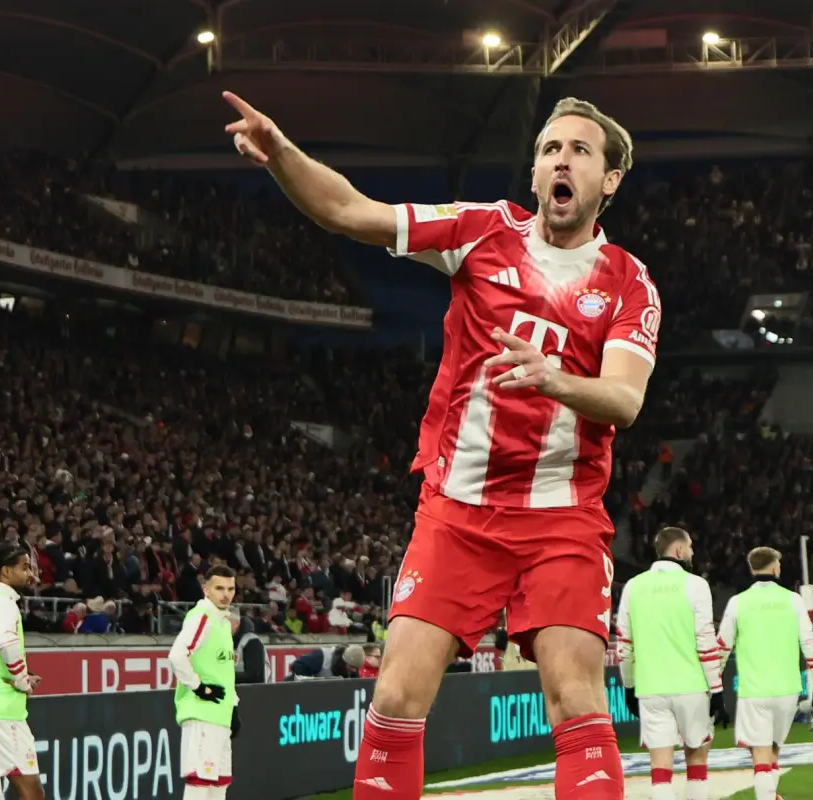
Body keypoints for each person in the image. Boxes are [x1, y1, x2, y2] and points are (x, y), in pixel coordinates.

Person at [224, 88, 659, 800]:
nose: (561, 159)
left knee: (576, 698)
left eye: (580, 151)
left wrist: (553, 379)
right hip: (457, 511)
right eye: (551, 148)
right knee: (394, 697)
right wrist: (282, 156)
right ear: (534, 172)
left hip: (562, 517)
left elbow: (625, 399)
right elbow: (349, 212)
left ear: (608, 180)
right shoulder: (482, 230)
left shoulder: (629, 284)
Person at [616, 527, 726, 800]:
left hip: (651, 688)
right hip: (691, 686)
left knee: (660, 770)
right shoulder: (696, 585)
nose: (691, 553)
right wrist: (717, 689)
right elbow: (705, 640)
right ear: (678, 550)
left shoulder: (633, 586)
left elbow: (624, 645)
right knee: (697, 762)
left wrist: (629, 686)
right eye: (690, 548)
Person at [717, 547, 813, 800]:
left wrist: (712, 684)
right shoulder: (793, 600)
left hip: (754, 691)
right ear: (776, 568)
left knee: (760, 753)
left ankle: (766, 796)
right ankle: (772, 794)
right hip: (787, 690)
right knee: (773, 748)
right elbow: (809, 642)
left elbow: (722, 646)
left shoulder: (738, 602)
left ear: (751, 568)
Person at [169, 565, 240, 799]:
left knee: (219, 784)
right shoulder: (203, 617)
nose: (226, 594)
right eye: (219, 588)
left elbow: (224, 670)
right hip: (202, 715)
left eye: (230, 588)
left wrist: (234, 706)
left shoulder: (223, 622)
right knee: (200, 785)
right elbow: (177, 655)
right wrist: (199, 688)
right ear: (206, 589)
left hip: (220, 715)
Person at [0, 543, 45, 800]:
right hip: (5, 713)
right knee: (32, 792)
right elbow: (7, 644)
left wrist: (22, 676)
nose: (31, 574)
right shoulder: (3, 604)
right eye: (25, 567)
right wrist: (22, 682)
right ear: (5, 572)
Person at [287, 643, 366, 680]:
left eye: (356, 668)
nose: (354, 670)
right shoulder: (321, 657)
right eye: (352, 667)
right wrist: (312, 682)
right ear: (344, 661)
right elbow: (297, 665)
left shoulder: (352, 669)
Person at [232, 611, 268, 685]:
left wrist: (225, 676)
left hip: (254, 692)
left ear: (236, 623)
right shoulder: (228, 640)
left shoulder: (252, 642)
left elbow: (254, 675)